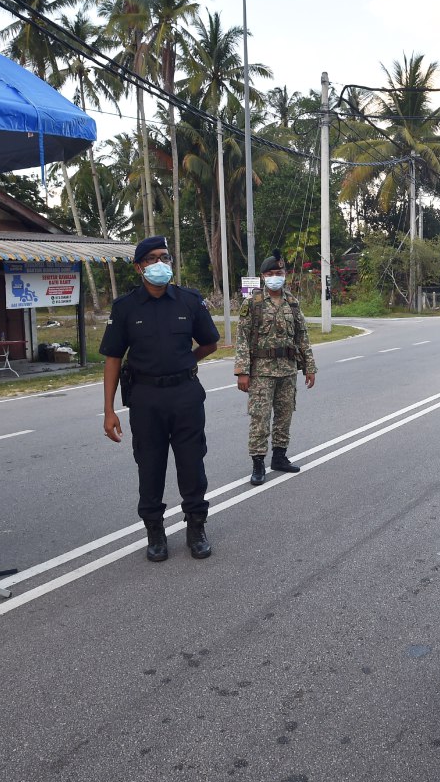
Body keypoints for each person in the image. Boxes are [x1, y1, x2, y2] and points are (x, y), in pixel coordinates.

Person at [101, 236, 220, 563]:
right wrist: (109, 409)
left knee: (192, 465)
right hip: (145, 398)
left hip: (185, 396)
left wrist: (187, 361)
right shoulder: (125, 308)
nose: (159, 264)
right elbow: (113, 357)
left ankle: (196, 528)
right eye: (152, 259)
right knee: (150, 467)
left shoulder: (189, 301)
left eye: (164, 257)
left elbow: (210, 342)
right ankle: (155, 532)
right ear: (139, 267)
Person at [234, 250, 317, 485]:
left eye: (278, 273)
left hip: (288, 369)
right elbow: (242, 339)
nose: (274, 277)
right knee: (260, 418)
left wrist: (309, 367)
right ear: (262, 277)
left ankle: (279, 457)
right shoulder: (253, 303)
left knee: (284, 415)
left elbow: (302, 336)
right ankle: (258, 463)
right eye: (270, 273)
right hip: (261, 371)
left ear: (285, 275)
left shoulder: (292, 302)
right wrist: (242, 371)